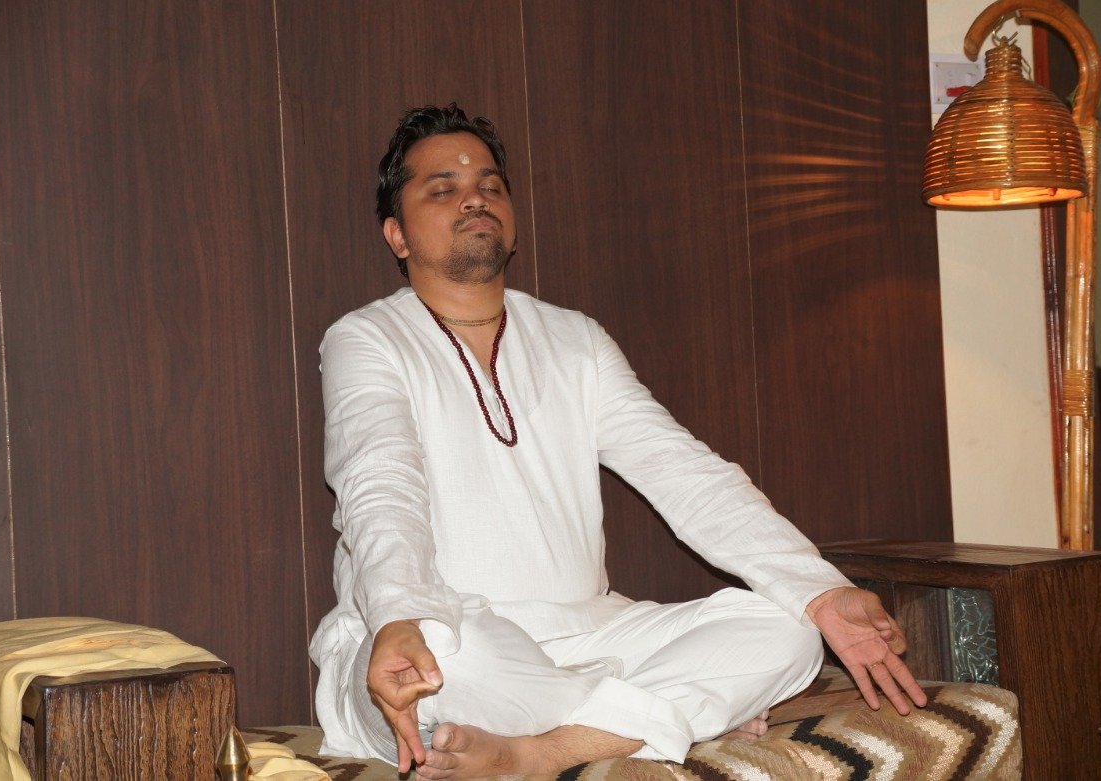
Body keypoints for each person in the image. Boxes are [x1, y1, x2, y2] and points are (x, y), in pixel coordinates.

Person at [309, 104, 927, 781]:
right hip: (447, 636)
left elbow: (684, 473)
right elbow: (379, 485)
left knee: (788, 630)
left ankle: (542, 750)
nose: (474, 199)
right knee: (444, 664)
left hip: (590, 634)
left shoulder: (575, 339)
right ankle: (660, 715)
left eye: (490, 185)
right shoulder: (365, 339)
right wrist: (398, 614)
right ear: (397, 234)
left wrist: (821, 591)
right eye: (442, 188)